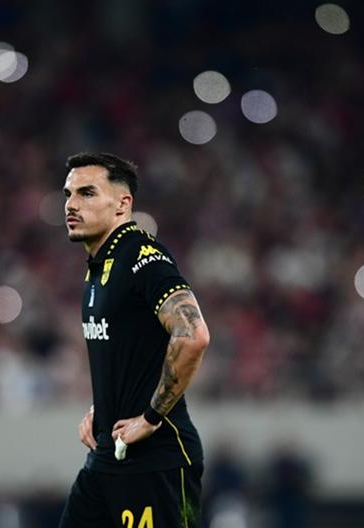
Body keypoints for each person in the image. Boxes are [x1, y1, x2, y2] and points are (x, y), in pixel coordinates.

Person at [59, 152, 210, 527]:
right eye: (68, 194)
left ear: (122, 204)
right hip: (107, 458)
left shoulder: (142, 255)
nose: (72, 204)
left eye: (87, 193)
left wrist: (152, 416)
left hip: (156, 462)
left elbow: (192, 334)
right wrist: (102, 407)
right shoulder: (99, 267)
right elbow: (130, 351)